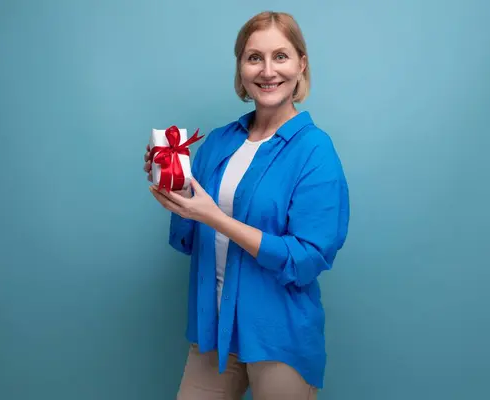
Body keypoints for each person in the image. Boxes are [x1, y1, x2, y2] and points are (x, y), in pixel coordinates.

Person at [144, 10, 350, 400]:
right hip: (214, 332)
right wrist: (170, 183)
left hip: (278, 338)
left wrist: (216, 218)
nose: (267, 70)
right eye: (254, 57)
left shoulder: (315, 152)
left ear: (301, 65)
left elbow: (306, 259)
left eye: (281, 56)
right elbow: (189, 238)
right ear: (240, 68)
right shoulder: (219, 142)